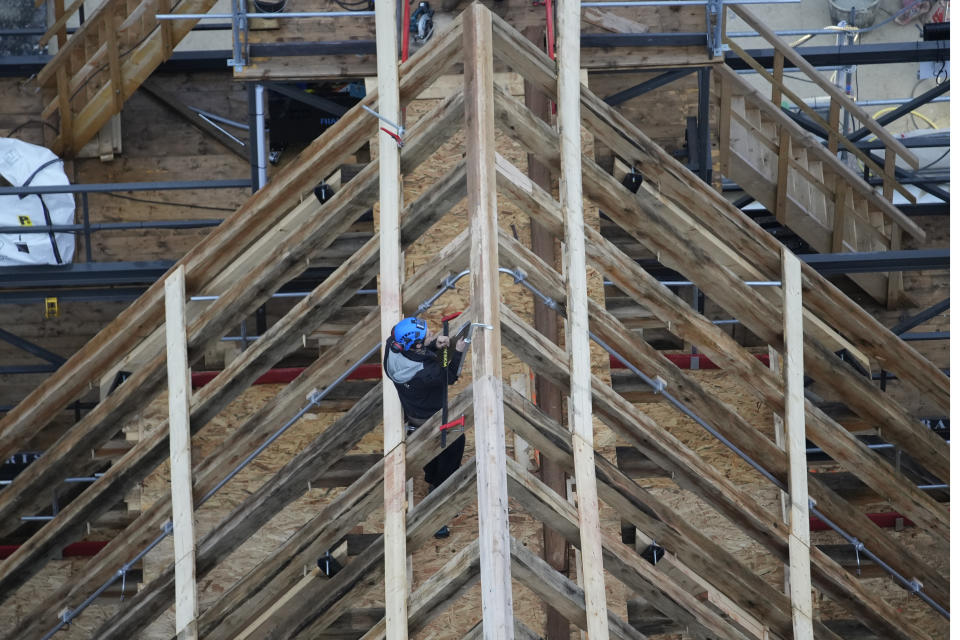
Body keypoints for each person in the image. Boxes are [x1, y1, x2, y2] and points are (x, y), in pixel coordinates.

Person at [383, 317, 467, 537]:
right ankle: (437, 491)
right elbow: (449, 375)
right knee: (453, 447)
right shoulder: (424, 371)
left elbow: (419, 353)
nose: (432, 335)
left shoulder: (392, 347)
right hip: (433, 418)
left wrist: (431, 345)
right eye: (428, 336)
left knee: (429, 456)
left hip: (415, 414)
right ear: (418, 346)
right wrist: (455, 351)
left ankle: (430, 476)